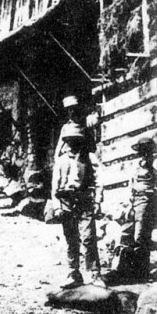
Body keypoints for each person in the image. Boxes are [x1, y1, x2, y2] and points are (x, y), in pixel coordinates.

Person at [52, 123, 102, 288]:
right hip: (66, 202)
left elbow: (98, 180)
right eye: (70, 140)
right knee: (71, 239)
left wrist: (98, 200)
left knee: (88, 238)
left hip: (84, 201)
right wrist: (57, 206)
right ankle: (74, 274)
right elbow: (55, 185)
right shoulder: (61, 160)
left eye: (77, 140)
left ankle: (95, 274)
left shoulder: (89, 158)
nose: (74, 143)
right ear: (66, 141)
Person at [105, 136, 157, 284]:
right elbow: (131, 185)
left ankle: (141, 272)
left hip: (147, 203)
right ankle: (124, 270)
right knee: (126, 233)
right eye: (142, 151)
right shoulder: (136, 167)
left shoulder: (155, 167)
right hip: (134, 201)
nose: (144, 154)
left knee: (140, 237)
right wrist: (129, 204)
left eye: (147, 151)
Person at [55, 95, 97, 159]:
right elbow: (59, 146)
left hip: (84, 155)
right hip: (70, 155)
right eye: (69, 109)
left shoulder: (86, 122)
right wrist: (57, 159)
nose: (72, 112)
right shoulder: (66, 127)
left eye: (74, 108)